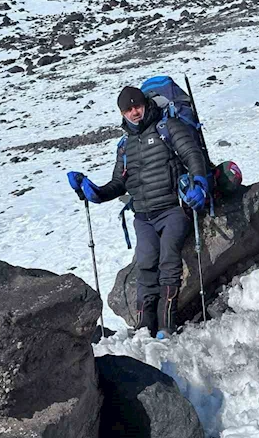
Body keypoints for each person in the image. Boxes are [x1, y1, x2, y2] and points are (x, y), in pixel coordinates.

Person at [68, 86, 208, 337]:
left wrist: (199, 183)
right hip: (143, 216)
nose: (134, 112)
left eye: (137, 106)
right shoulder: (125, 146)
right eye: (128, 109)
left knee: (169, 261)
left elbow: (192, 155)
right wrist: (93, 192)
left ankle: (166, 325)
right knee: (145, 266)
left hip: (173, 209)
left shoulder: (168, 128)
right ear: (122, 113)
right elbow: (119, 183)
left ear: (145, 104)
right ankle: (145, 326)